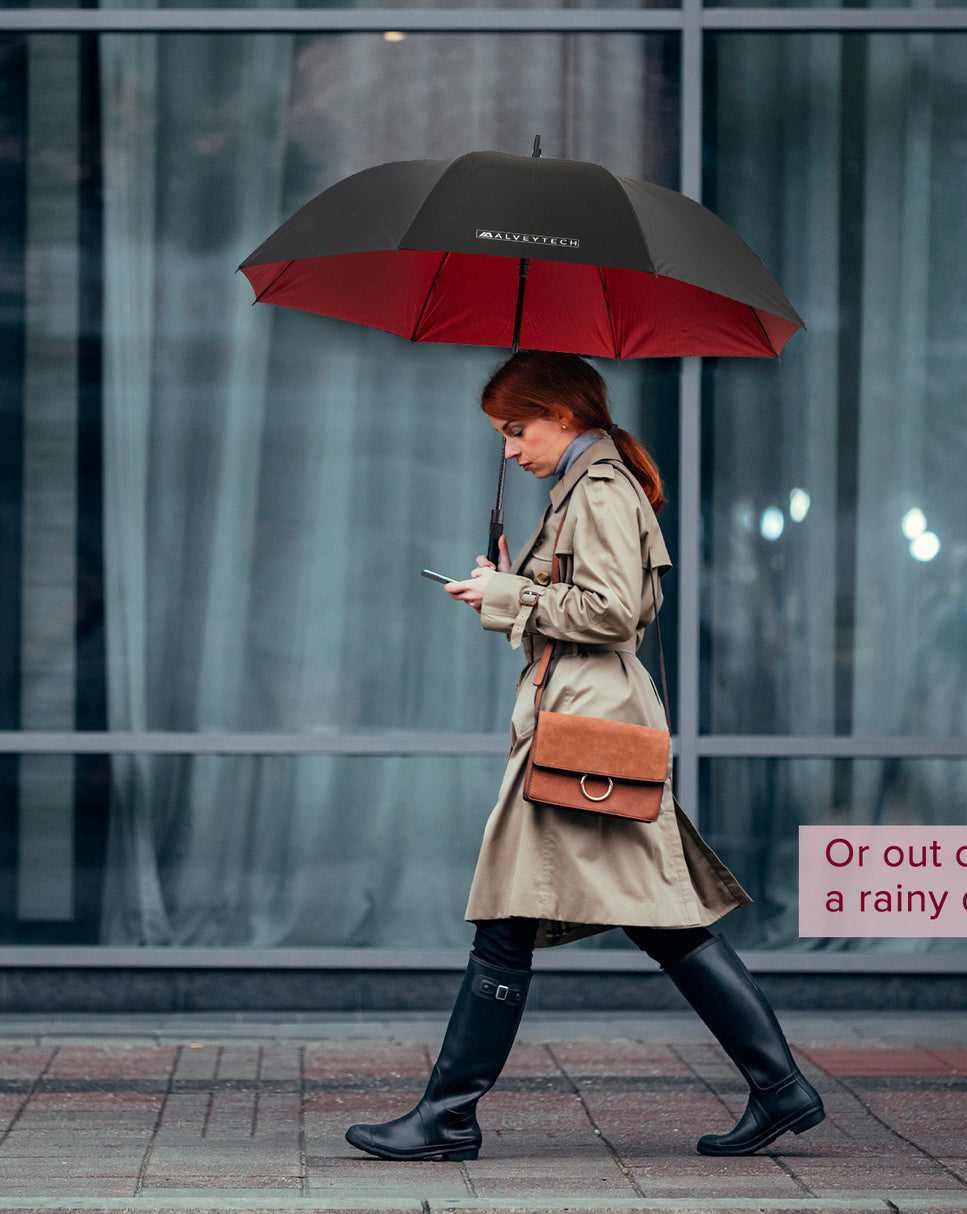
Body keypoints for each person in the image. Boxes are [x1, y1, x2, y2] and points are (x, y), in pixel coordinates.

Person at [345, 351, 824, 1163]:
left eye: (516, 430)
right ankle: (779, 1087)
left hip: (584, 734)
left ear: (563, 414)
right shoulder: (586, 487)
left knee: (510, 920)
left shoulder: (598, 490)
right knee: (657, 923)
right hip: (585, 727)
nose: (509, 450)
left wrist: (510, 595)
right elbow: (585, 607)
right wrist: (506, 588)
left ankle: (448, 1117)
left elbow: (609, 613)